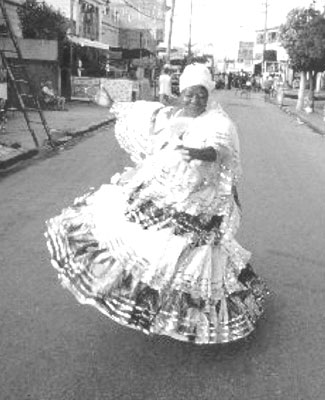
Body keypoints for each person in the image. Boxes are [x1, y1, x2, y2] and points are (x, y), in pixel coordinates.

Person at [45, 63, 268, 345]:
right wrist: (110, 103)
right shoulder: (173, 114)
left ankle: (188, 315)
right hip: (169, 192)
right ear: (181, 92)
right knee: (150, 242)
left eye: (201, 94)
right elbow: (142, 116)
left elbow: (219, 150)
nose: (195, 100)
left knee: (194, 255)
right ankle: (147, 298)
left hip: (200, 202)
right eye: (189, 93)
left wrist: (198, 152)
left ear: (208, 94)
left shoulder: (219, 122)